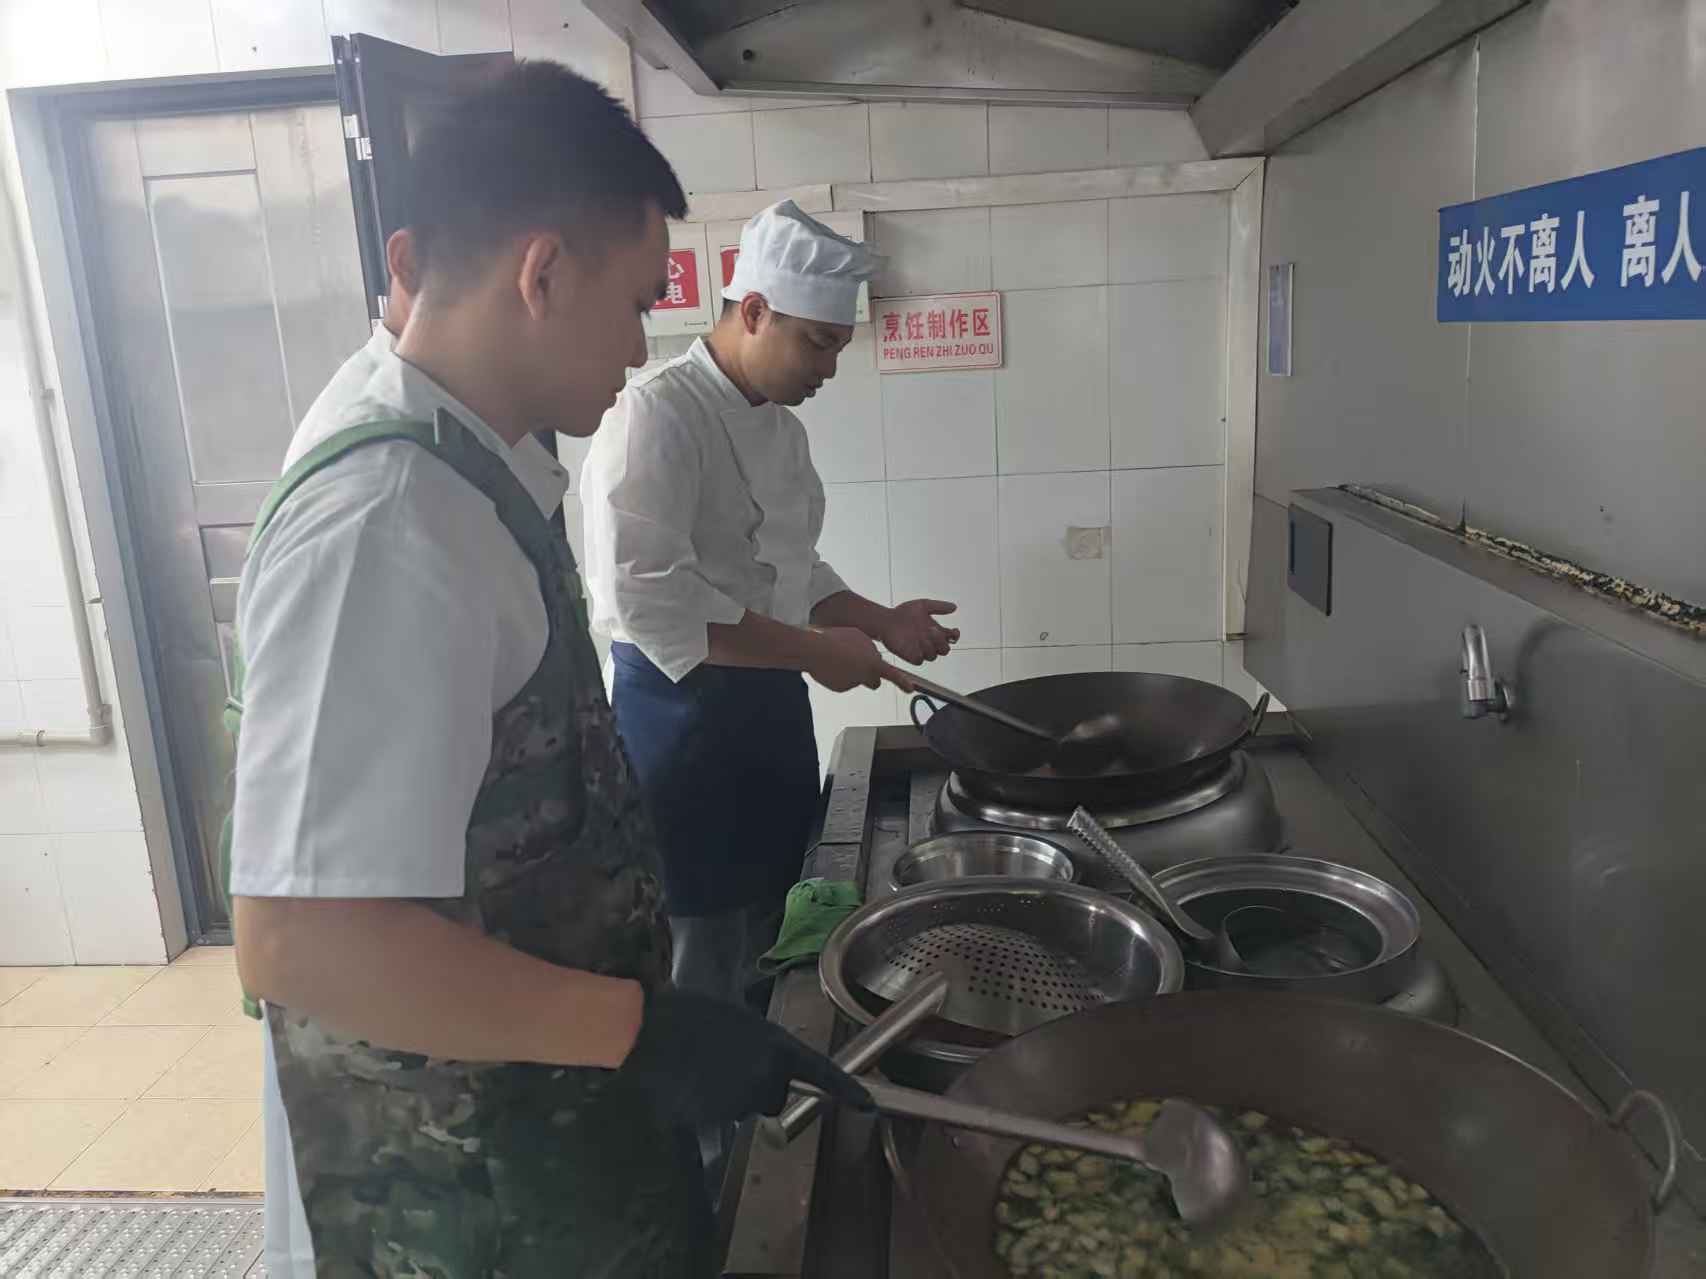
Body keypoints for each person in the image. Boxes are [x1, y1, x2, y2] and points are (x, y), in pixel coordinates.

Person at [228, 64, 866, 1278]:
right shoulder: (386, 520)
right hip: (449, 1202)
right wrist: (639, 1028)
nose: (639, 343)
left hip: (528, 1147)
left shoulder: (460, 469)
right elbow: (303, 937)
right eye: (635, 302)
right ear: (543, 273)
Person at [579, 200, 960, 1011]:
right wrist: (819, 652)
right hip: (683, 731)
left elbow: (792, 570)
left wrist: (878, 620)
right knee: (703, 966)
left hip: (769, 718)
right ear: (753, 311)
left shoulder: (780, 430)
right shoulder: (657, 415)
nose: (828, 368)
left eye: (838, 347)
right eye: (817, 343)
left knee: (773, 941)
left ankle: (768, 1076)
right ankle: (716, 1096)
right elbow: (650, 598)